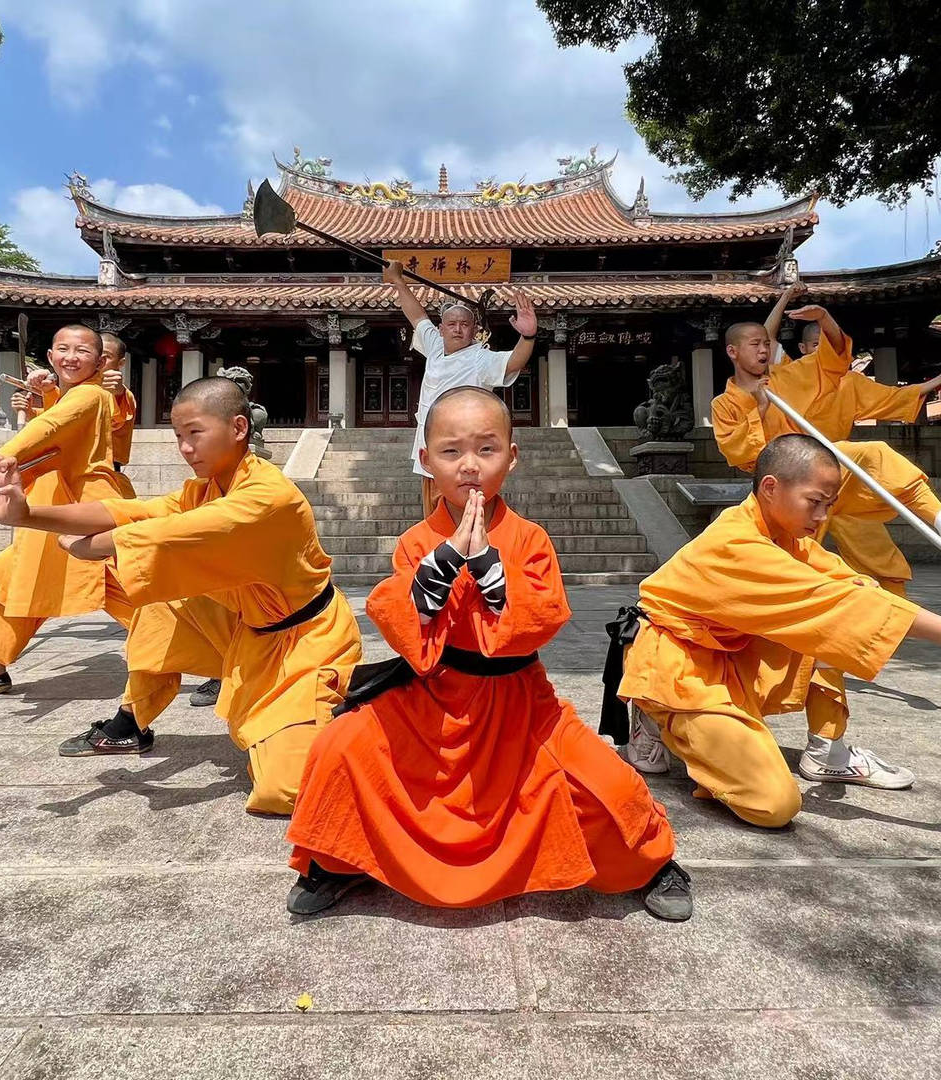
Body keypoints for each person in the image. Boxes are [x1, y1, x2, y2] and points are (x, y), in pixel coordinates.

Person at [284, 388, 689, 920]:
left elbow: (544, 616)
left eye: (486, 450)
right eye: (451, 452)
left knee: (606, 783)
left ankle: (652, 862)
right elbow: (400, 615)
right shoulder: (414, 541)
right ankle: (338, 863)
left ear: (512, 457)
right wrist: (446, 560)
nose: (469, 466)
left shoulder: (532, 538)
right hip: (432, 698)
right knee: (341, 745)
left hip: (520, 702)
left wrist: (491, 570)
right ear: (425, 460)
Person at [607, 434, 941, 825]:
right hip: (677, 666)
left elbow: (851, 588)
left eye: (829, 505)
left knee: (831, 621)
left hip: (728, 656)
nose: (821, 517)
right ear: (770, 488)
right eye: (814, 502)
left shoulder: (790, 540)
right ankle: (659, 714)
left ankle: (826, 750)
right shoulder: (736, 544)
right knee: (774, 804)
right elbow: (841, 604)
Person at [0, 376, 361, 816]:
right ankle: (131, 720)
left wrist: (88, 546)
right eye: (178, 436)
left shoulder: (267, 498)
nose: (185, 447)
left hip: (305, 642)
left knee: (288, 791)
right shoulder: (208, 487)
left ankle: (340, 709)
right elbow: (135, 510)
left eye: (196, 433)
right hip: (249, 632)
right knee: (161, 596)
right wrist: (26, 514)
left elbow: (165, 532)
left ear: (238, 428)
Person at [712, 289, 941, 600]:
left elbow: (835, 356)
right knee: (790, 560)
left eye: (766, 345)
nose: (762, 350)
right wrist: (758, 408)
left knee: (877, 490)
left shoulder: (789, 377)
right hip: (784, 486)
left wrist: (826, 320)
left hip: (835, 468)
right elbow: (740, 453)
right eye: (754, 345)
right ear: (733, 352)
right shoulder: (724, 404)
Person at [0, 323, 131, 703]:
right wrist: (48, 394)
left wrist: (1, 455)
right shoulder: (73, 395)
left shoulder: (92, 395)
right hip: (56, 510)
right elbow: (54, 426)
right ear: (52, 357)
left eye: (82, 351)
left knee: (142, 591)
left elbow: (52, 427)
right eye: (63, 349)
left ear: (100, 362)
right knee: (8, 581)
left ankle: (220, 662)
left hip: (86, 509)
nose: (71, 357)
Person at [382, 261, 536, 513]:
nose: (457, 329)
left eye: (464, 325)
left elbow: (513, 362)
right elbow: (417, 316)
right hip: (431, 449)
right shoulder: (434, 346)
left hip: (462, 456)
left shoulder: (480, 359)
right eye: (451, 324)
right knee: (432, 519)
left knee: (463, 519)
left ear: (474, 331)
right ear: (441, 329)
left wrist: (528, 336)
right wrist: (399, 281)